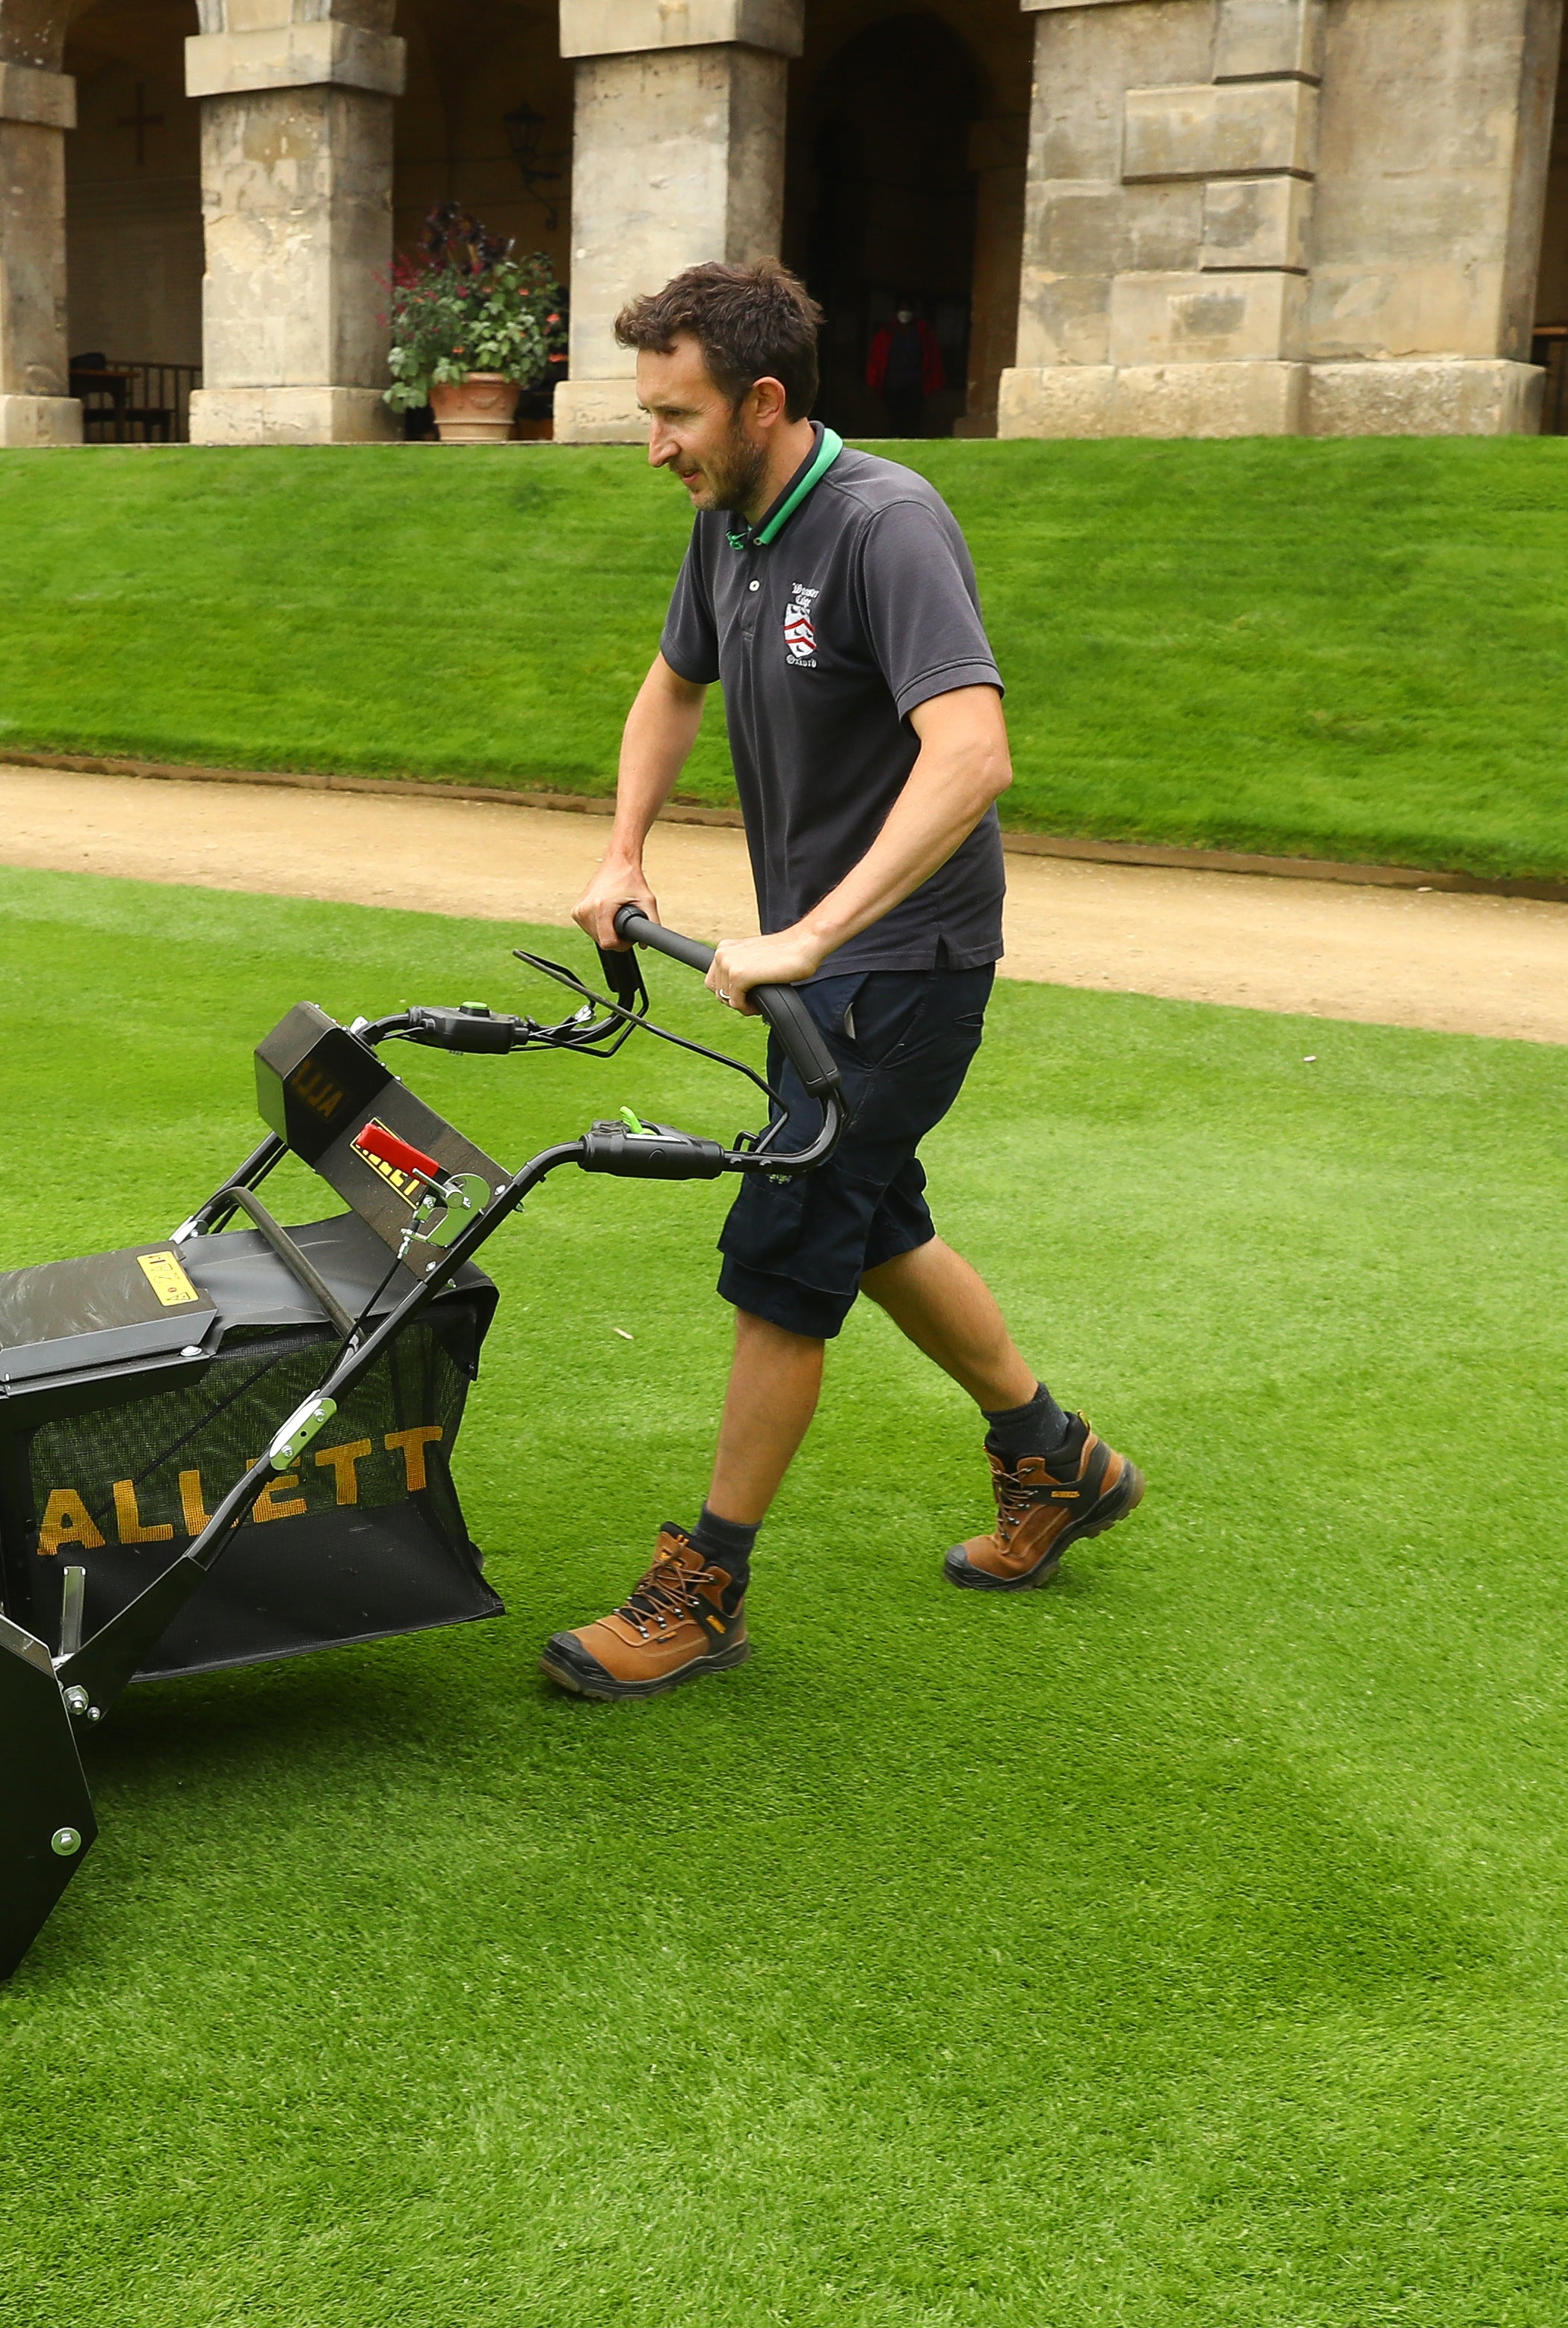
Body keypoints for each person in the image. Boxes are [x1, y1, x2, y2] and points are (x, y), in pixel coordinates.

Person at [541, 259, 1142, 1704]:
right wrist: (623, 856)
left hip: (907, 963)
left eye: (676, 415)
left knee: (786, 1253)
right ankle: (1056, 1460)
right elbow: (672, 685)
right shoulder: (729, 521)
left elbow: (974, 756)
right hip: (818, 972)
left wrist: (811, 936)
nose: (655, 445)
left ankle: (707, 1588)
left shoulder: (885, 525)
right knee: (869, 1222)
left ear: (762, 400)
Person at [865, 303, 947, 439]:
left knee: (913, 415)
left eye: (907, 310)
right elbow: (876, 358)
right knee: (894, 415)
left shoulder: (923, 332)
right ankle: (895, 436)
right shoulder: (887, 333)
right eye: (901, 310)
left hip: (916, 383)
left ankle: (911, 437)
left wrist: (935, 382)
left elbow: (933, 357)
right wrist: (873, 381)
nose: (904, 314)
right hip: (892, 383)